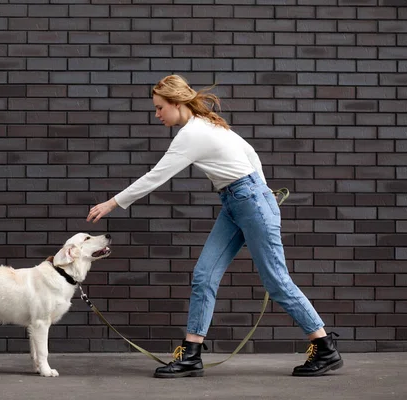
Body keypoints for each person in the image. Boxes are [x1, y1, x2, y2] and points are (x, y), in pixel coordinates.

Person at [86, 75, 343, 379]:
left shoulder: (191, 134)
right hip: (238, 201)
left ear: (177, 104)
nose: (156, 115)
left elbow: (155, 176)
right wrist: (262, 190)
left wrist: (111, 203)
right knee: (204, 275)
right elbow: (251, 154)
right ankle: (192, 354)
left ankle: (324, 347)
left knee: (276, 281)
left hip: (249, 201)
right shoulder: (208, 124)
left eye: (159, 108)